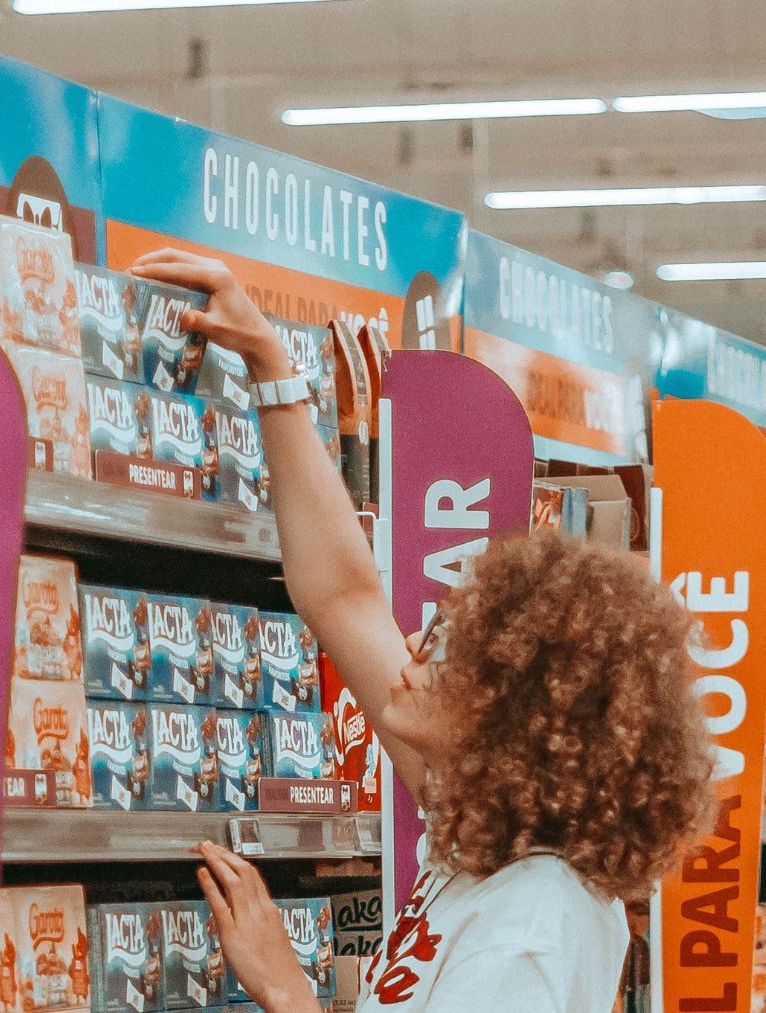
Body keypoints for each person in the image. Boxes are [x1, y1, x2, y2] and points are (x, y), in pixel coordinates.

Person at [130, 250, 717, 1013]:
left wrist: (286, 988)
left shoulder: (533, 928)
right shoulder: (492, 855)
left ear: (514, 713)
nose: (410, 646)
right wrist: (272, 368)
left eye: (446, 649)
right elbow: (344, 598)